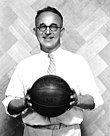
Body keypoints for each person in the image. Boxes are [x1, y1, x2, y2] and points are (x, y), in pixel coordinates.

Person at [2, 6, 103, 136]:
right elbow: (10, 106)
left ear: (62, 31)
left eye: (54, 27)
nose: (48, 32)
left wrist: (77, 100)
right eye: (42, 27)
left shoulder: (78, 62)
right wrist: (25, 102)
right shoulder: (24, 65)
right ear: (35, 31)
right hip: (33, 133)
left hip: (69, 133)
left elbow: (93, 100)